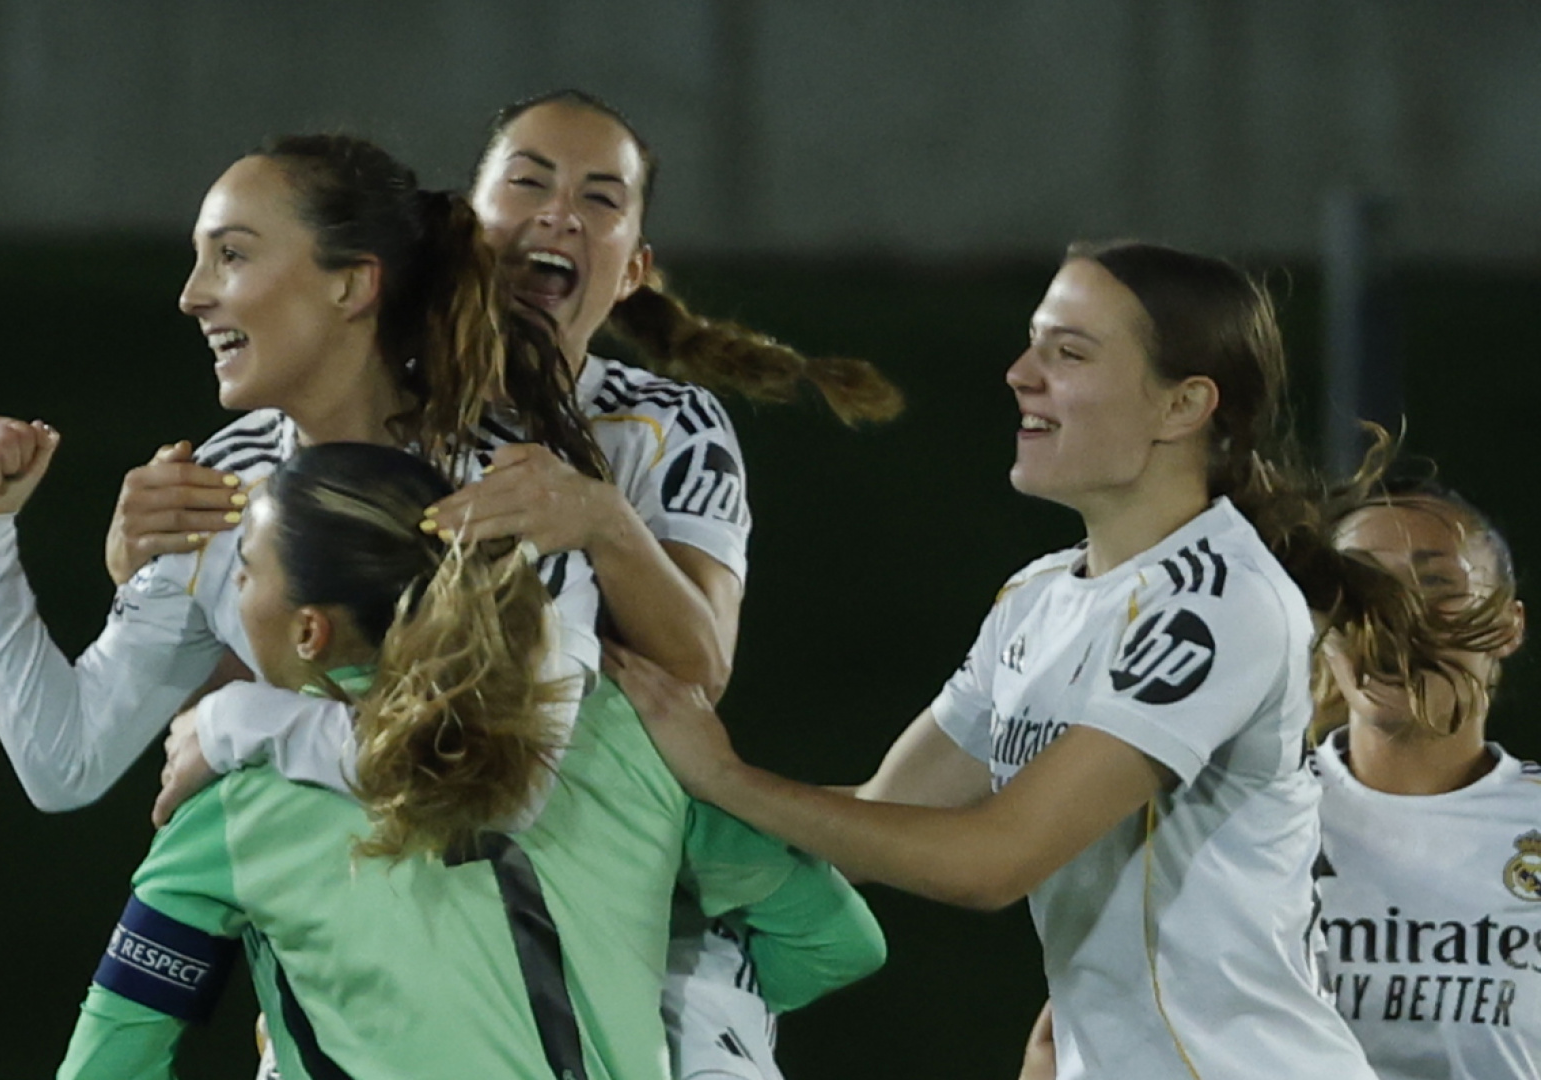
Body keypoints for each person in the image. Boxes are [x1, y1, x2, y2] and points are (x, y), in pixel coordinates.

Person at [111, 91, 902, 1080]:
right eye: (528, 182)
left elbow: (698, 669)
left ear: (634, 268)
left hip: (603, 869)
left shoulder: (662, 423)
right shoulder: (343, 414)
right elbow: (269, 658)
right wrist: (141, 575)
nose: (559, 214)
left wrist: (605, 523)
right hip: (392, 877)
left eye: (600, 198)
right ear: (464, 228)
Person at [613, 241, 1479, 1079]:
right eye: (1033, 344)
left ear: (1182, 406)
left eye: (1069, 353)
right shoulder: (1037, 598)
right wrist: (628, 842)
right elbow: (885, 816)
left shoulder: (1221, 604)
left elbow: (990, 861)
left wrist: (723, 777)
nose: (1021, 374)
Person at [54, 443, 886, 1079]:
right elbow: (837, 944)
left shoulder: (231, 807)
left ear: (310, 630)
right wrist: (632, 986)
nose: (234, 596)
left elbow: (109, 1061)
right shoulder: (627, 738)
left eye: (243, 575)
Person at [0, 133, 606, 816]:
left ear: (351, 284)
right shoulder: (217, 488)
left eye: (231, 255)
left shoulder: (509, 487)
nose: (191, 296)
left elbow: (508, 783)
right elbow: (67, 760)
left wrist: (238, 721)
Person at [1312, 471, 1539, 1080]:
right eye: (1361, 584)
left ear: (1507, 626)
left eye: (1436, 583)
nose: (1393, 613)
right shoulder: (1246, 816)